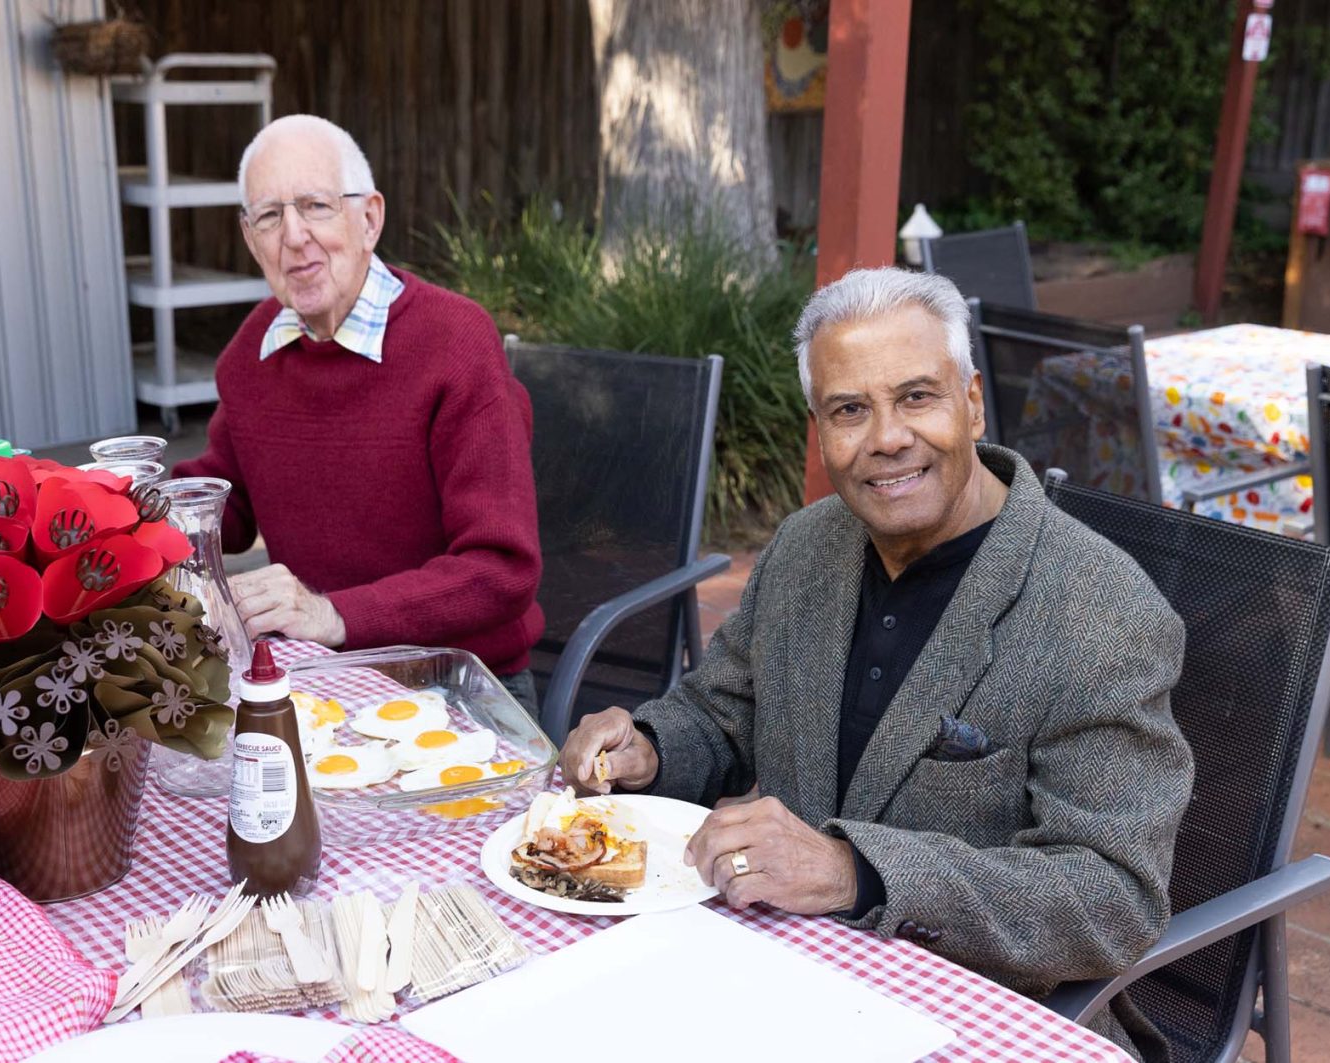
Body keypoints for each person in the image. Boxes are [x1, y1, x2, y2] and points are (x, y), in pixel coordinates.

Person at [558, 267, 1193, 1060]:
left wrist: (856, 871)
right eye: (850, 409)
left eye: (916, 396)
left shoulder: (1100, 611)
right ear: (820, 429)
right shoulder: (804, 546)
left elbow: (1111, 898)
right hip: (775, 983)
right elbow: (723, 712)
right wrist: (648, 747)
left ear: (971, 401)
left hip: (981, 1018)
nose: (886, 436)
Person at [174, 115, 543, 709]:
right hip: (321, 679)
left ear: (369, 218)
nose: (293, 236)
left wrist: (331, 613)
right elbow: (230, 503)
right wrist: (119, 501)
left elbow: (500, 572)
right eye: (269, 216)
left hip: (456, 685)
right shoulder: (252, 352)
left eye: (316, 206)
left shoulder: (455, 343)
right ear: (251, 240)